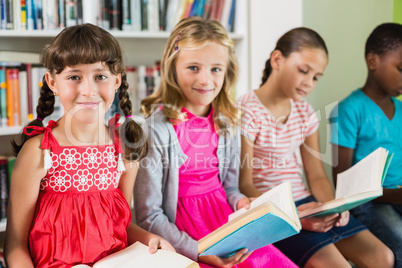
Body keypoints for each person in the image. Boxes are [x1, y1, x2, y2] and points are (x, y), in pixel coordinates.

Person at [4, 24, 173, 268]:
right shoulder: (39, 151)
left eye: (100, 76)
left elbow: (121, 225)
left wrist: (151, 239)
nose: (88, 90)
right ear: (52, 82)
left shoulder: (124, 150)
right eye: (74, 77)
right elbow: (15, 247)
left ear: (116, 81)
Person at [134, 17, 297, 268]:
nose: (205, 80)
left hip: (228, 228)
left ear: (227, 71)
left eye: (215, 69)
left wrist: (242, 202)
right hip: (186, 240)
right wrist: (197, 250)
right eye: (193, 67)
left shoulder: (228, 122)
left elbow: (229, 188)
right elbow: (149, 216)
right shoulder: (156, 130)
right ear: (172, 68)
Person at [238, 27, 394, 268]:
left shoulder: (305, 112)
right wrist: (293, 216)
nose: (309, 83)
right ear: (278, 60)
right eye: (303, 71)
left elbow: (317, 176)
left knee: (383, 257)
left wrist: (335, 206)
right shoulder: (245, 111)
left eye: (316, 77)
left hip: (308, 203)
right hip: (272, 210)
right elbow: (244, 184)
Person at [330, 22, 402, 267]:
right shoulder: (349, 110)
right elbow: (343, 183)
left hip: (397, 197)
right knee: (399, 243)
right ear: (373, 62)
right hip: (368, 204)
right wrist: (395, 195)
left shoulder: (401, 110)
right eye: (400, 68)